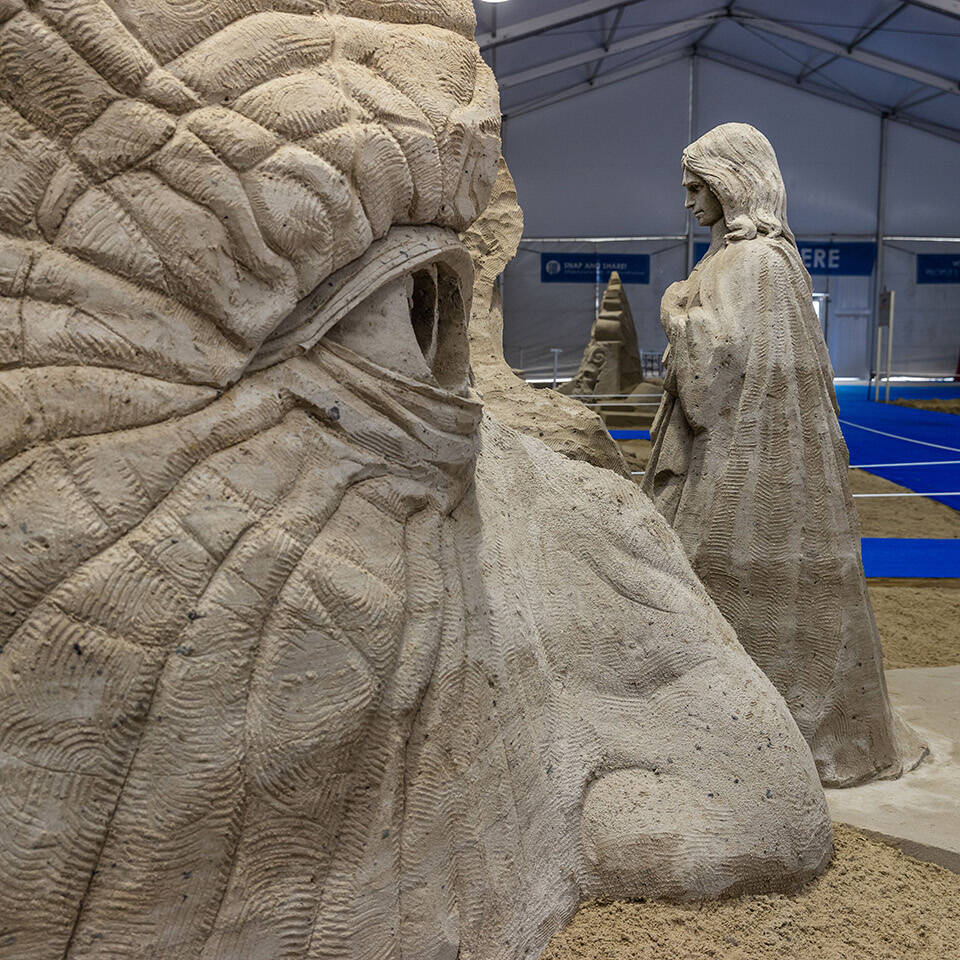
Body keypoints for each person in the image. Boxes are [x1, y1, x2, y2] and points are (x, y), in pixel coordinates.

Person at [643, 122, 925, 787]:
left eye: (697, 187)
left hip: (740, 469)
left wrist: (674, 312)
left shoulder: (752, 263)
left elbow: (713, 382)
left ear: (730, 183)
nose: (688, 201)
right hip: (751, 458)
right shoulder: (755, 259)